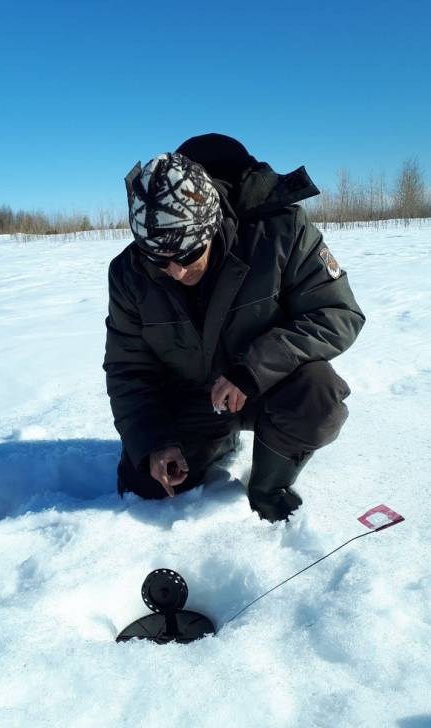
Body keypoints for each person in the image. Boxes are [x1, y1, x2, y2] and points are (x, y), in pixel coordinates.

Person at [102, 133, 366, 523]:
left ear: (212, 226)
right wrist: (155, 443)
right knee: (148, 486)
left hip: (268, 388)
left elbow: (338, 313)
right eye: (160, 259)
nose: (176, 270)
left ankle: (268, 485)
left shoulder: (282, 232)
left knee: (317, 397)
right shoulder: (129, 274)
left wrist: (254, 369)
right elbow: (128, 371)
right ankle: (215, 441)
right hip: (191, 398)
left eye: (189, 253)